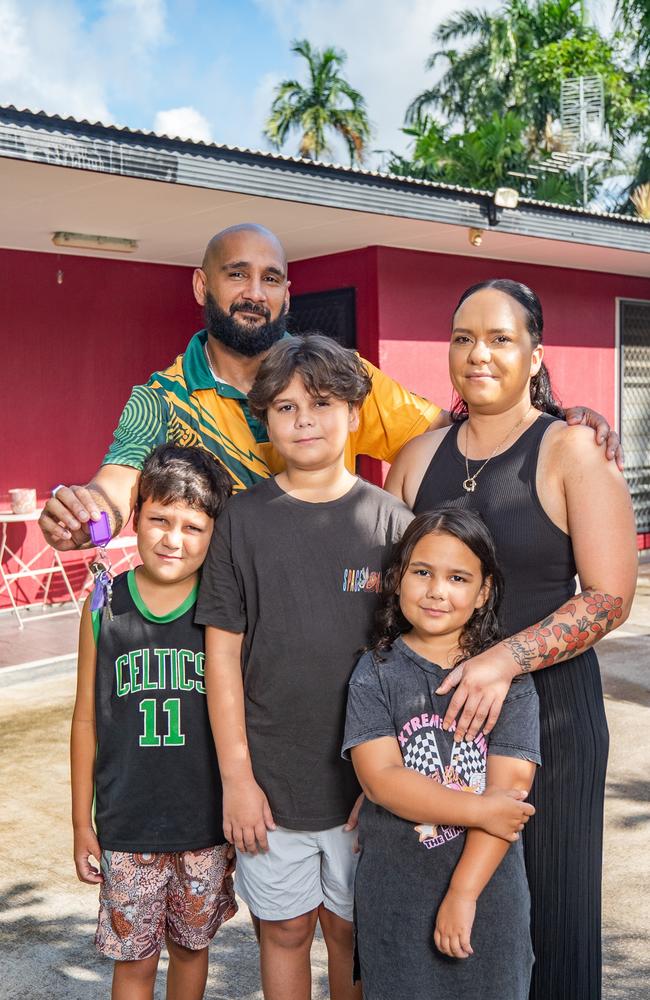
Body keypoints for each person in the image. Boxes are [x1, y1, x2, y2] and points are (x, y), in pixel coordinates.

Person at [39, 224, 621, 551]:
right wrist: (84, 516)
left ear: (288, 295)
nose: (254, 292)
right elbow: (115, 488)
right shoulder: (161, 399)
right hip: (214, 627)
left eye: (270, 278)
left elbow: (457, 431)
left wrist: (553, 417)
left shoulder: (344, 378)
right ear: (201, 285)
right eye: (236, 274)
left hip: (334, 612)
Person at [385, 278, 638, 1000]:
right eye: (463, 338)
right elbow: (382, 585)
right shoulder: (418, 456)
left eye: (500, 338)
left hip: (551, 713)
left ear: (535, 353)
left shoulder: (570, 452)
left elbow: (610, 597)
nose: (478, 354)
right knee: (445, 919)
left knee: (550, 923)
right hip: (433, 722)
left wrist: (506, 659)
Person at [194, 335, 416, 1000]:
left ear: (354, 414)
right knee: (284, 930)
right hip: (270, 784)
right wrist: (236, 778)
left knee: (352, 933)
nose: (305, 420)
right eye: (285, 408)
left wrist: (392, 778)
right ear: (265, 422)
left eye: (321, 403)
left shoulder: (394, 525)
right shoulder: (241, 520)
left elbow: (414, 664)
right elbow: (223, 656)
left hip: (366, 788)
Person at [343, 508, 540, 1000]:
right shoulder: (376, 672)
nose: (437, 590)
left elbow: (510, 797)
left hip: (488, 895)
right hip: (397, 898)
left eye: (458, 577)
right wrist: (479, 810)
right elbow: (381, 780)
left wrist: (464, 893)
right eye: (422, 572)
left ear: (483, 592)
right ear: (398, 579)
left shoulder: (507, 683)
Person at [70, 444, 236, 1000]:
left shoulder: (222, 611)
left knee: (192, 950)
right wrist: (80, 822)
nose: (173, 538)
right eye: (160, 519)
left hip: (204, 824)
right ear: (135, 517)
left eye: (193, 526)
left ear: (214, 533)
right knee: (134, 963)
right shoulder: (104, 603)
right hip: (127, 825)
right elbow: (85, 721)